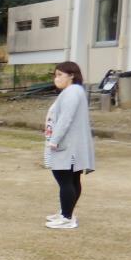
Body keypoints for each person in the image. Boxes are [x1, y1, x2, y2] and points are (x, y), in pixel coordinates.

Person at [44, 61, 95, 230]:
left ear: (71, 75)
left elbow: (66, 119)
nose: (56, 78)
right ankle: (67, 212)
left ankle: (67, 217)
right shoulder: (74, 91)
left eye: (60, 75)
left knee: (64, 179)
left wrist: (54, 140)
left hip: (68, 145)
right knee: (72, 180)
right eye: (55, 75)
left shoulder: (72, 92)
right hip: (73, 144)